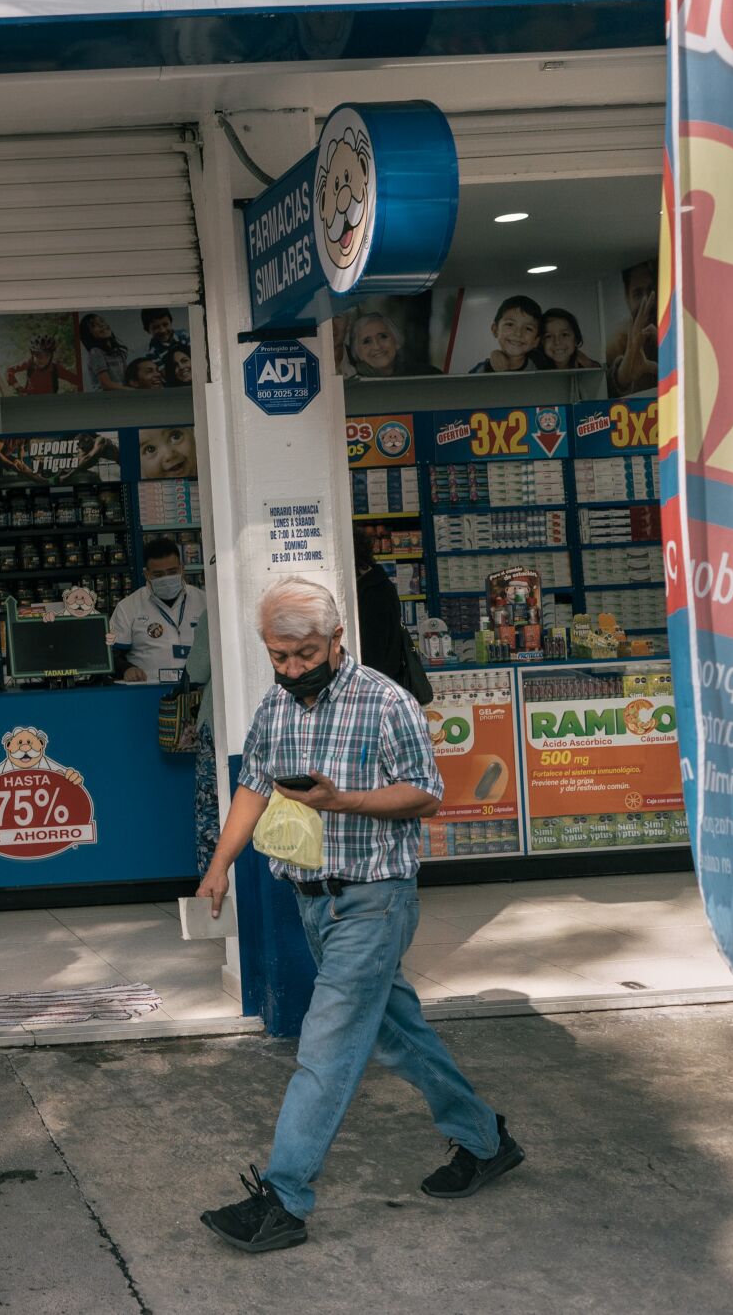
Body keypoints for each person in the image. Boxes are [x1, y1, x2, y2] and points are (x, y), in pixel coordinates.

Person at [194, 578, 522, 1254]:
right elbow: (254, 784)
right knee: (398, 1035)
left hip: (375, 899)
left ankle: (283, 1198)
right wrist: (219, 863)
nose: (290, 670)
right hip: (314, 903)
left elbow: (425, 795)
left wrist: (346, 802)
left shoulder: (385, 703)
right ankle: (486, 1141)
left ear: (336, 641)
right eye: (278, 656)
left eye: (304, 654)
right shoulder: (275, 707)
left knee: (327, 1046)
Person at [109, 537, 205, 684]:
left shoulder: (204, 601)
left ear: (182, 569)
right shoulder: (128, 607)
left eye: (172, 571)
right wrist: (126, 669)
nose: (166, 578)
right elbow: (112, 655)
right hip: (147, 690)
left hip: (197, 688)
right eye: (158, 575)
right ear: (147, 574)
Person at [353, 525, 416, 697]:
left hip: (376, 686)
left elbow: (374, 648)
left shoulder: (371, 592)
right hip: (386, 680)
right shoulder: (379, 583)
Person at [183, 612, 219, 874]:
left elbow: (197, 669)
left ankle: (212, 884)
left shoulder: (216, 609)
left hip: (217, 723)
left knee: (211, 813)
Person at [604, 259, 658, 397]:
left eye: (651, 290)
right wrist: (622, 377)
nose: (646, 301)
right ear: (627, 298)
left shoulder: (684, 332)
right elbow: (605, 392)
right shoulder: (616, 343)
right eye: (638, 294)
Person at [344, 311, 441, 379]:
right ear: (358, 353)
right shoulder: (352, 387)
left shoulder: (428, 376)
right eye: (367, 341)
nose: (377, 346)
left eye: (383, 336)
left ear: (397, 341)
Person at [466, 295, 544, 374]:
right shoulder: (482, 370)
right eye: (510, 324)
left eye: (528, 328)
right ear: (495, 330)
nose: (518, 333)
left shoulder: (540, 364)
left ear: (536, 341)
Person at [5, 334, 80, 395]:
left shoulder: (55, 368)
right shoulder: (30, 363)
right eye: (38, 355)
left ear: (51, 356)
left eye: (47, 355)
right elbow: (9, 370)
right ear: (32, 354)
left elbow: (76, 380)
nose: (42, 359)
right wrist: (17, 387)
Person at [80, 312, 131, 391]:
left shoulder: (117, 351)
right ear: (89, 334)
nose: (101, 325)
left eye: (102, 321)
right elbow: (106, 385)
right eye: (94, 325)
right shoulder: (95, 352)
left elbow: (127, 378)